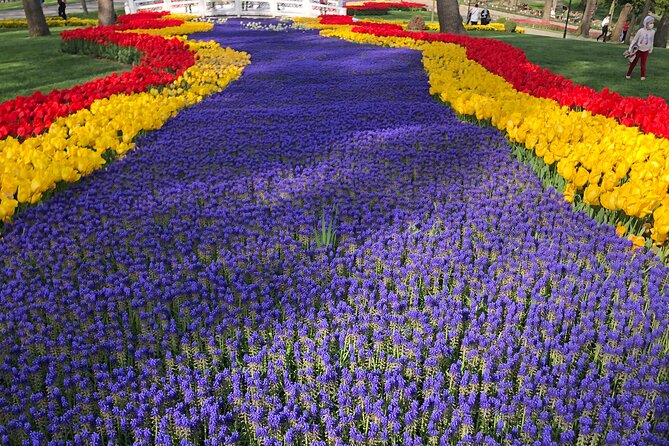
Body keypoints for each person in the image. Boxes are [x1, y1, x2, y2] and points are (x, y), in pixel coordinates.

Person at [626, 16, 655, 80]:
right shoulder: (641, 31)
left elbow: (651, 41)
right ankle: (628, 74)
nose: (652, 24)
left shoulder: (652, 32)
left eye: (653, 23)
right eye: (650, 23)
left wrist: (651, 48)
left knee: (643, 63)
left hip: (646, 50)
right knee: (634, 62)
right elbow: (634, 40)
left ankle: (642, 76)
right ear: (646, 23)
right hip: (638, 49)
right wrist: (630, 47)